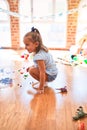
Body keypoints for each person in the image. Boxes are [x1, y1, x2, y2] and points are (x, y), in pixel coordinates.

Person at [23, 27, 58, 94]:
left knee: (31, 70)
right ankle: (43, 82)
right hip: (53, 73)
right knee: (31, 68)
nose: (25, 47)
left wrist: (41, 87)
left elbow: (42, 72)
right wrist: (32, 66)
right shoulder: (41, 50)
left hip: (50, 75)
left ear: (36, 44)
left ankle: (43, 83)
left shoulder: (39, 56)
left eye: (27, 45)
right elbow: (41, 65)